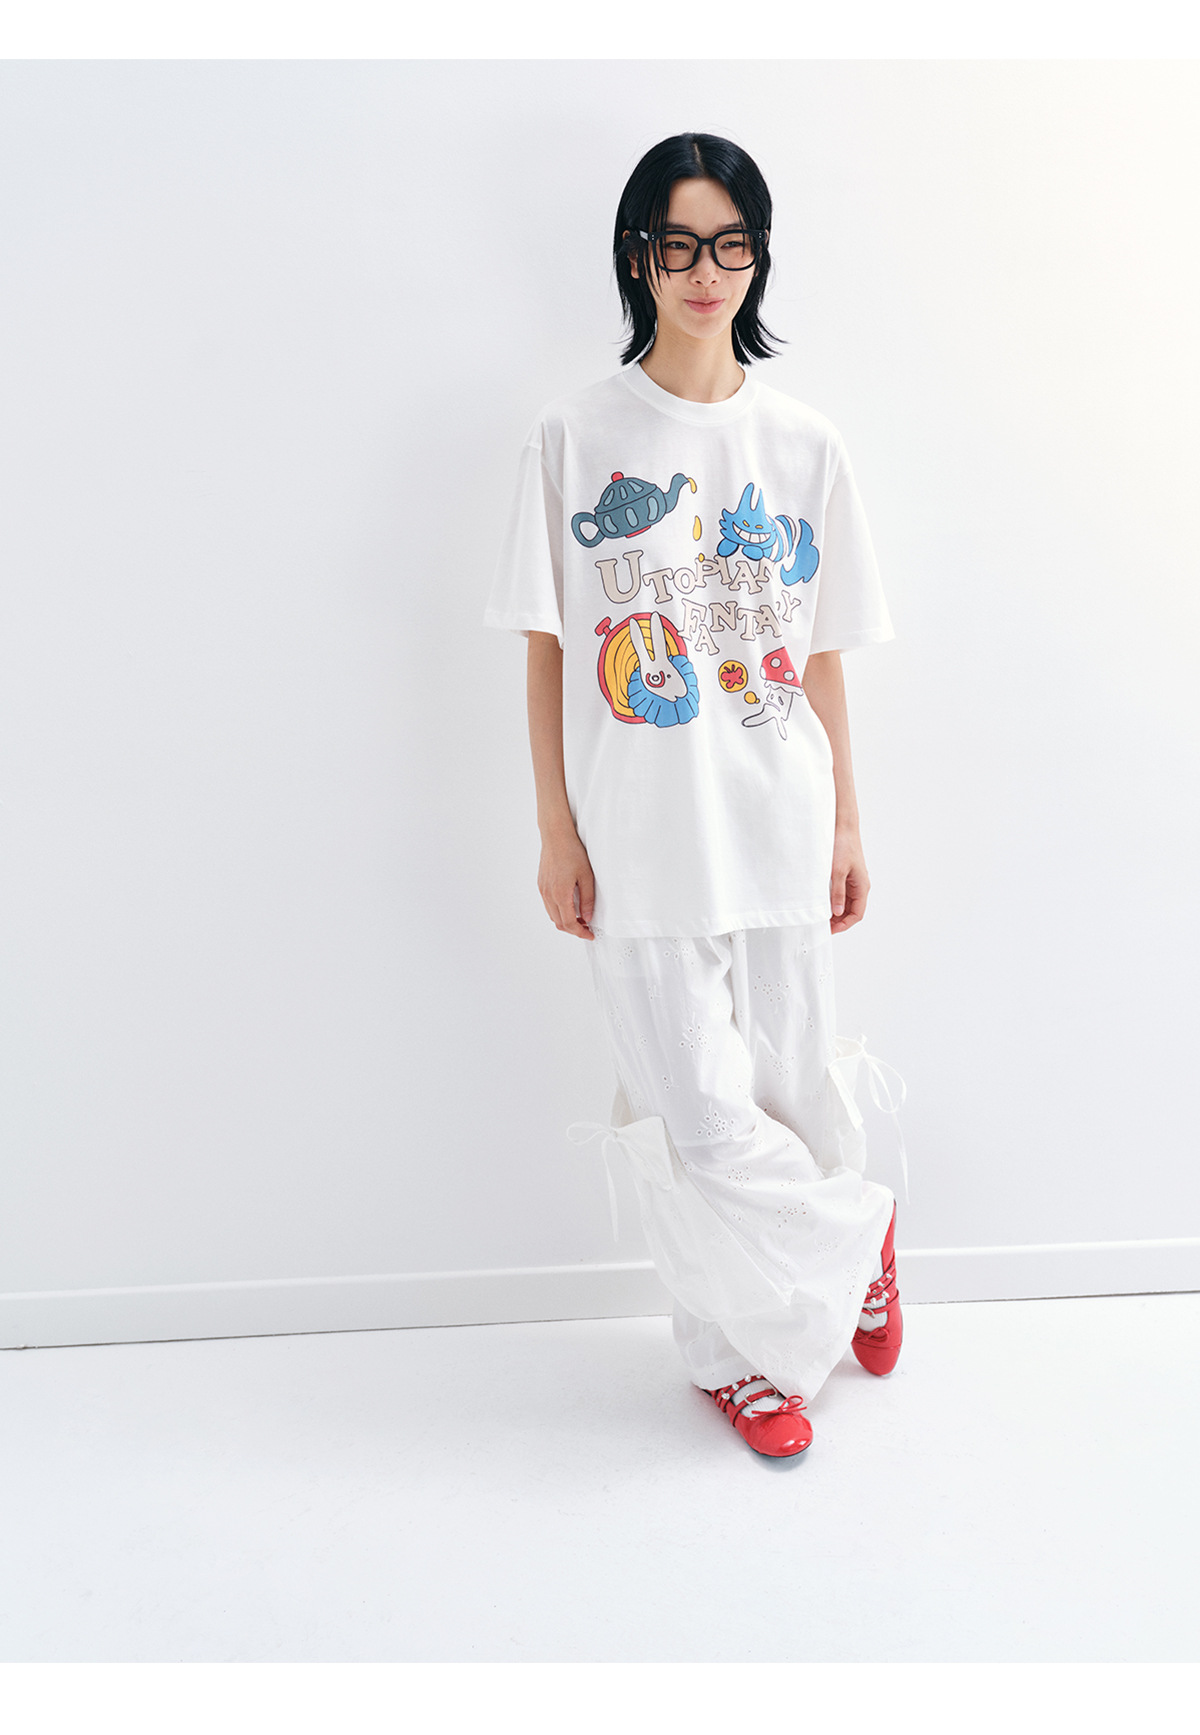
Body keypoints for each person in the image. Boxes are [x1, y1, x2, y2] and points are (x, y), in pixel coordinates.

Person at [483, 132, 904, 1461]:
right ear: (638, 260)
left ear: (757, 256)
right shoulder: (577, 435)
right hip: (639, 838)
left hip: (780, 815)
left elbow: (821, 652)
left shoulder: (804, 442)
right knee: (700, 1121)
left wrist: (847, 820)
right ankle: (848, 1245)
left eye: (730, 244)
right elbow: (549, 648)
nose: (705, 271)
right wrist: (554, 827)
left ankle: (752, 1353)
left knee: (790, 1093)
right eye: (678, 245)